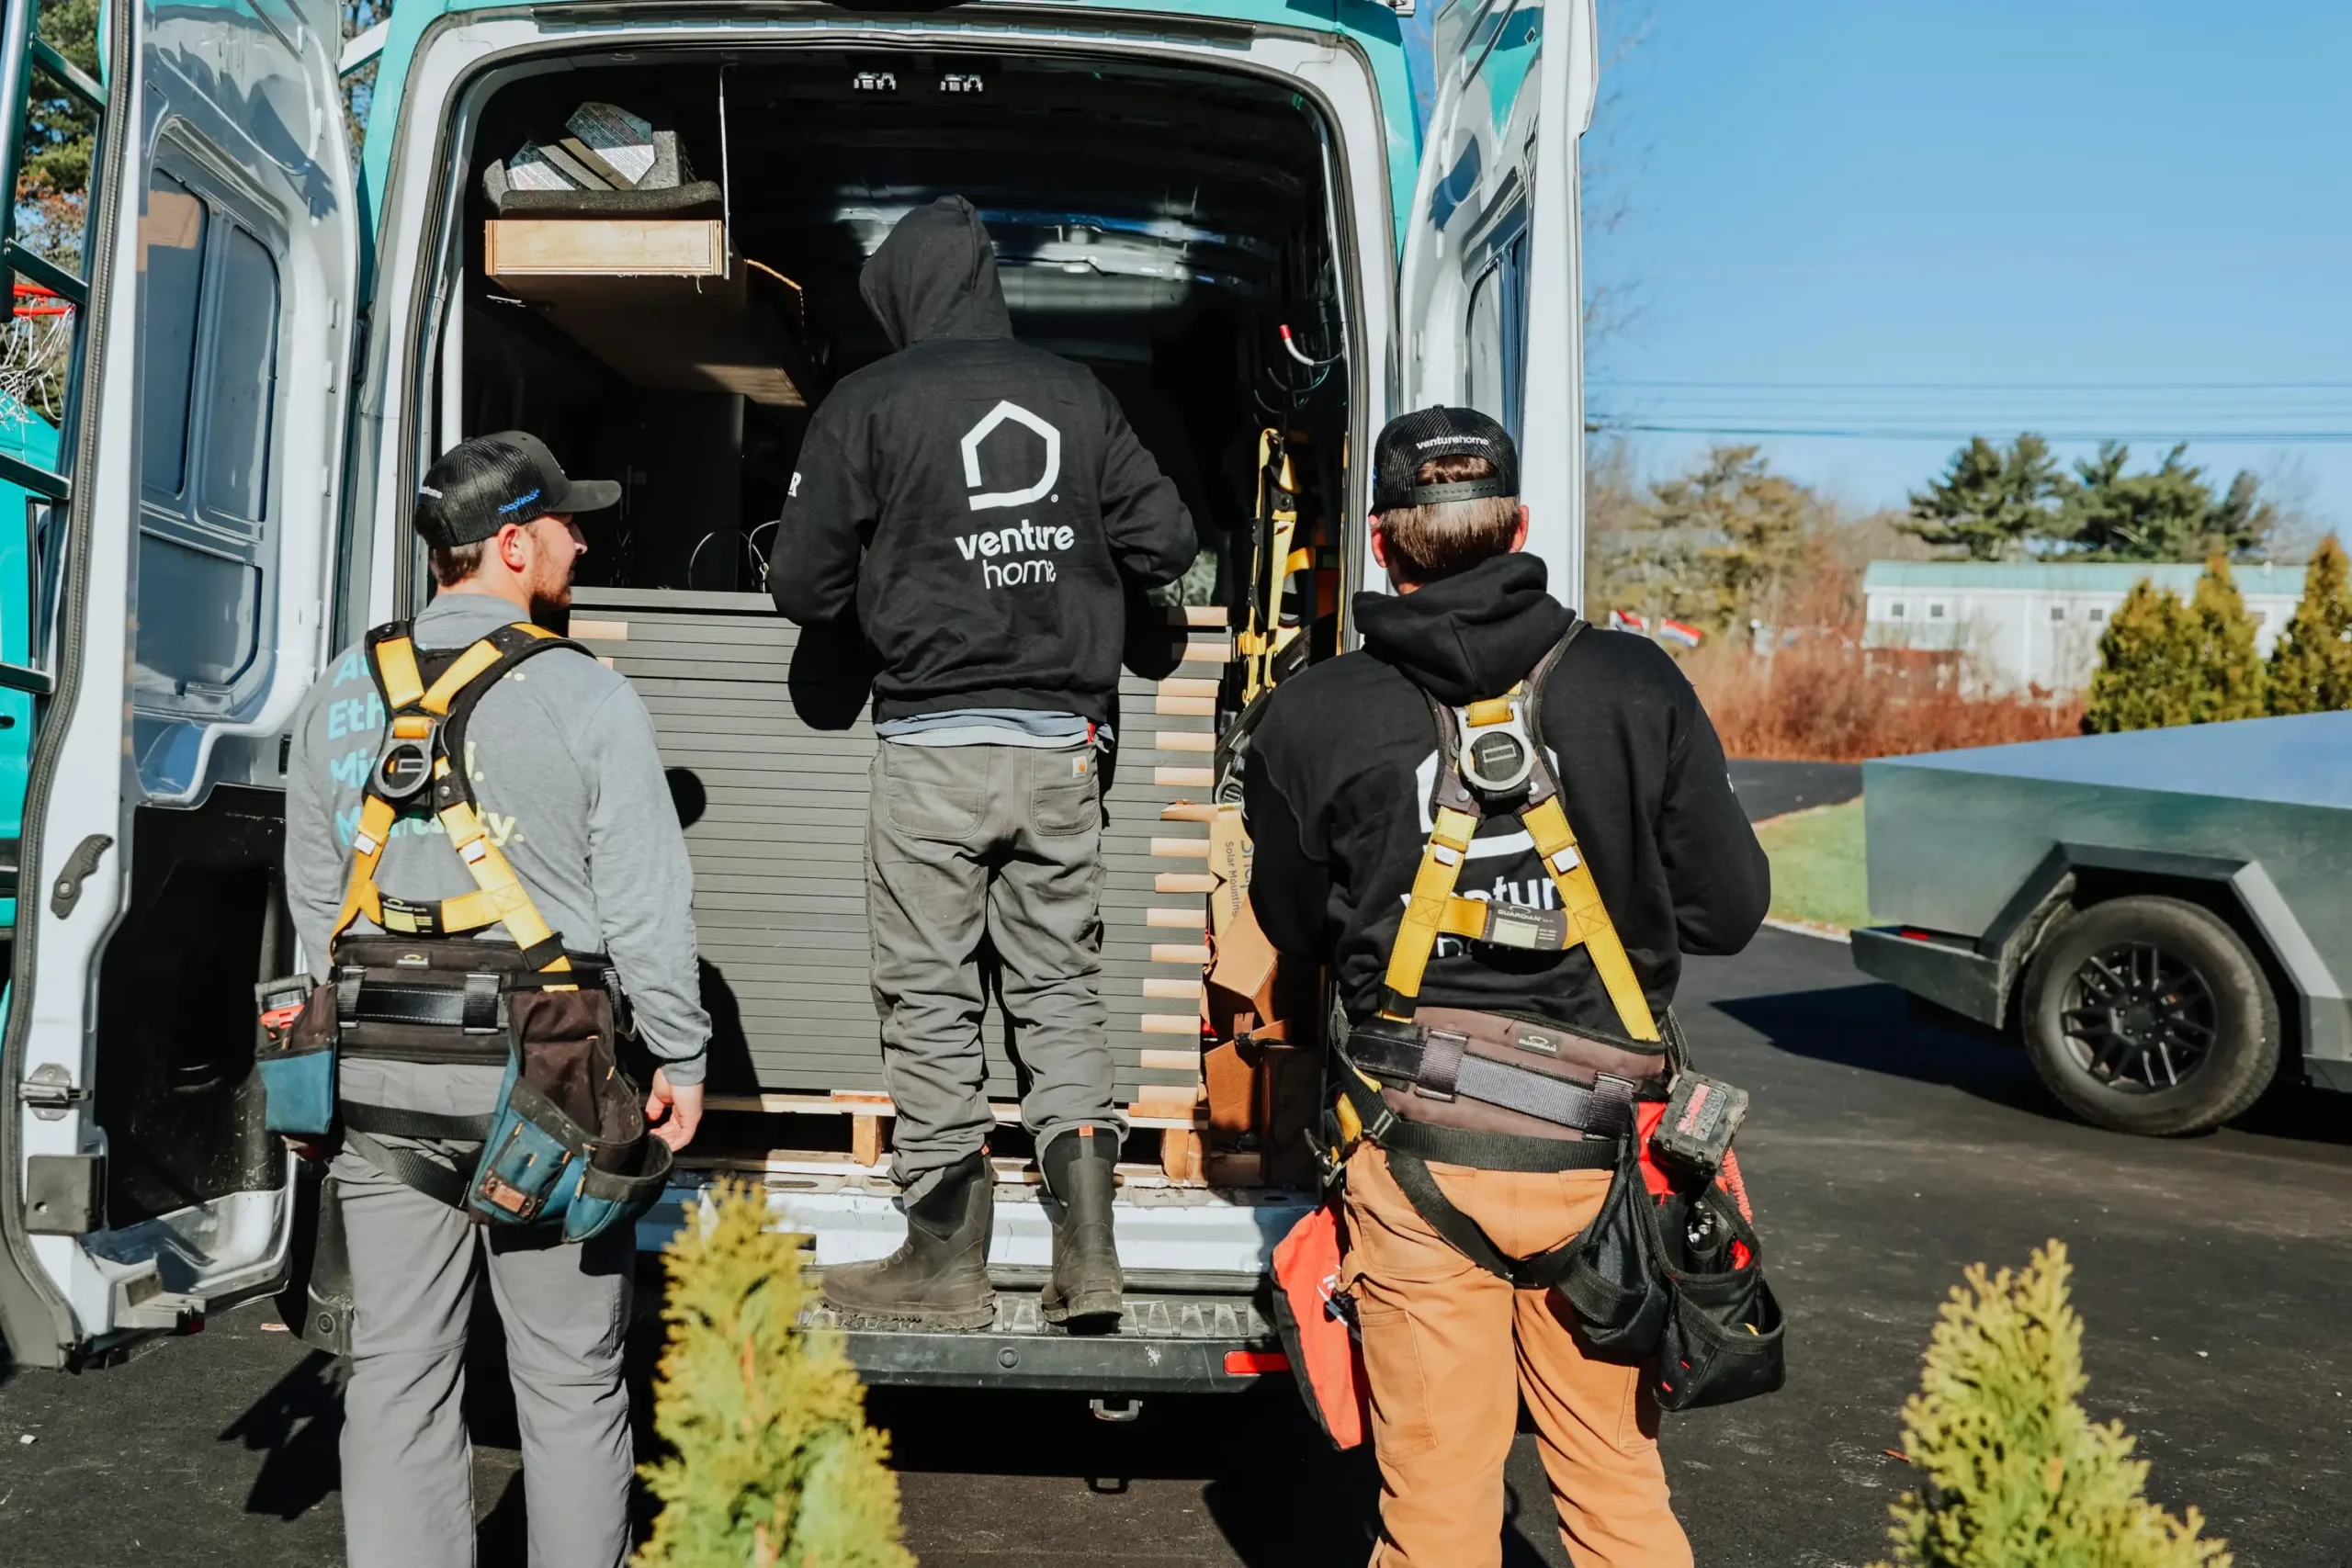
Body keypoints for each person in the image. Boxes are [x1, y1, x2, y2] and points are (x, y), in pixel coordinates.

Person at [1242, 408, 1770, 1568]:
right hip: (1603, 1159)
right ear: (1521, 526)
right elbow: (1727, 909)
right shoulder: (1636, 683)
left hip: (1416, 1146)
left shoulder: (1313, 714)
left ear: (1379, 542)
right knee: (1619, 1499)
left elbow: (1289, 926)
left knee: (1434, 1517)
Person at [283, 431, 711, 1568]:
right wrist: (680, 1054)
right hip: (549, 1081)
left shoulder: (337, 689)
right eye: (570, 523)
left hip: (376, 1070)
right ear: (514, 543)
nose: (583, 539)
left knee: (398, 1373)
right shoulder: (585, 694)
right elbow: (644, 906)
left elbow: (313, 900)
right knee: (569, 1378)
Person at [771, 196, 1196, 1330]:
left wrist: (897, 574)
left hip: (932, 755)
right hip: (1061, 753)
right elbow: (1168, 543)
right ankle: (1088, 1260)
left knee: (931, 998)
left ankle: (944, 1264)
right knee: (1059, 993)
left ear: (903, 296)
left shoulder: (868, 404)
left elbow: (801, 589)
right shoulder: (1075, 393)